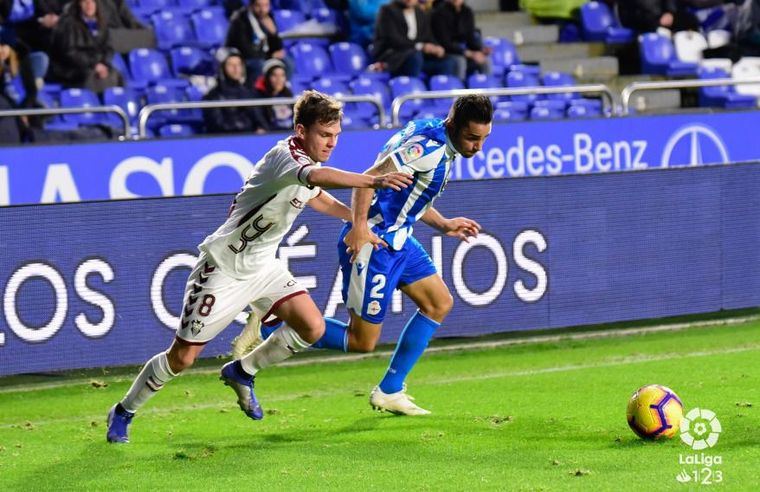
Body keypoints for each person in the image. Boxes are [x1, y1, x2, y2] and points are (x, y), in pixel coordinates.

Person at [105, 90, 413, 443]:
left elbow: (320, 198)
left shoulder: (305, 167)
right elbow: (318, 178)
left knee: (311, 327)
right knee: (183, 357)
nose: (331, 143)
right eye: (324, 135)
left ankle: (243, 370)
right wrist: (373, 181)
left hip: (264, 268)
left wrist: (358, 220)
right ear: (301, 129)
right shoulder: (284, 158)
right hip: (223, 267)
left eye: (336, 137)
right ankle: (124, 410)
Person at [234, 95, 493, 416]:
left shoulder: (432, 131)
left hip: (399, 238)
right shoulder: (428, 147)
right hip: (374, 241)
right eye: (472, 138)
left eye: (483, 139)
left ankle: (391, 390)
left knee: (438, 302)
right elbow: (368, 181)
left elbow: (410, 192)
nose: (477, 147)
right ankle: (273, 325)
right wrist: (358, 227)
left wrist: (443, 224)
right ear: (454, 126)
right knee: (361, 341)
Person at [48, 0, 123, 92]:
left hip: (95, 64)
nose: (89, 5)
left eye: (92, 2)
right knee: (89, 76)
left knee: (117, 75)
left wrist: (104, 64)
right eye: (85, 2)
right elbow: (70, 53)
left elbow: (109, 49)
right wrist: (94, 64)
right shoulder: (69, 23)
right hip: (71, 69)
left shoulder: (101, 24)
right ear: (79, 5)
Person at [372, 0, 456, 78]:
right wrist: (421, 46)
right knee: (415, 56)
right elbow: (394, 40)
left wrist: (436, 47)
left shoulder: (420, 13)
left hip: (417, 58)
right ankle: (411, 89)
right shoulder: (387, 11)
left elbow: (428, 37)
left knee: (448, 61)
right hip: (394, 56)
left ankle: (440, 91)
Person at [225, 0, 291, 80]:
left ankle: (281, 89)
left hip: (263, 56)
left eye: (266, 6)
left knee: (287, 62)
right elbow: (246, 49)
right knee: (259, 65)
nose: (262, 9)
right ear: (251, 5)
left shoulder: (268, 17)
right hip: (245, 58)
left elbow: (277, 48)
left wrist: (273, 33)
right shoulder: (240, 19)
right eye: (258, 5)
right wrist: (269, 56)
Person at [203, 49, 263, 135]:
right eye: (231, 65)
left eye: (239, 64)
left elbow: (259, 120)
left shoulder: (248, 93)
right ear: (222, 68)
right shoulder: (213, 96)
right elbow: (216, 126)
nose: (236, 68)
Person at [431, 0, 491, 80]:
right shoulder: (439, 13)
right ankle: (459, 88)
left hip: (463, 50)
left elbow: (470, 38)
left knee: (485, 61)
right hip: (447, 51)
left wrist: (480, 50)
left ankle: (487, 89)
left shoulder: (467, 12)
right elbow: (445, 43)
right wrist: (467, 53)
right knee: (460, 61)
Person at [252, 58, 293, 132]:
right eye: (274, 75)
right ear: (267, 78)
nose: (279, 79)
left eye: (282, 75)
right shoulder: (258, 98)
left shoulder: (289, 95)